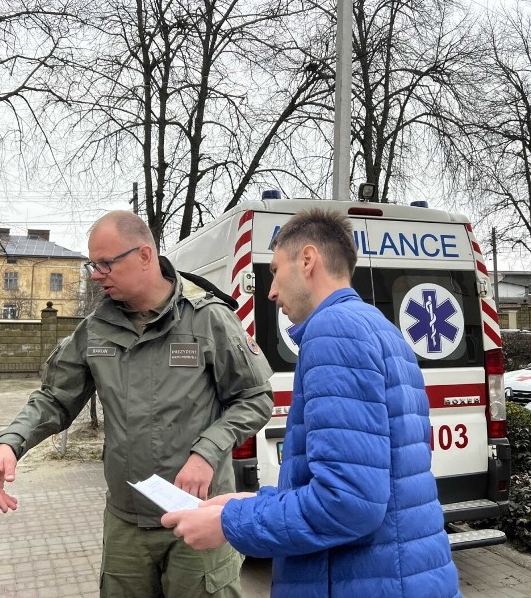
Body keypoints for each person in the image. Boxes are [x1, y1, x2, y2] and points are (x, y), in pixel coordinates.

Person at [162, 209, 461, 598]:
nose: (270, 292)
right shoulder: (379, 327)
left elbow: (348, 504)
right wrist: (254, 500)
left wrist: (231, 522)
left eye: (274, 271)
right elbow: (365, 480)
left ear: (307, 260)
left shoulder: (332, 331)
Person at [0, 211, 273, 598]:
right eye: (93, 264)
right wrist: (9, 443)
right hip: (127, 527)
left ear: (145, 256)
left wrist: (207, 451)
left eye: (106, 263)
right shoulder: (95, 330)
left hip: (198, 519)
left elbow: (254, 398)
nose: (96, 274)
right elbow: (54, 399)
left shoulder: (208, 320)